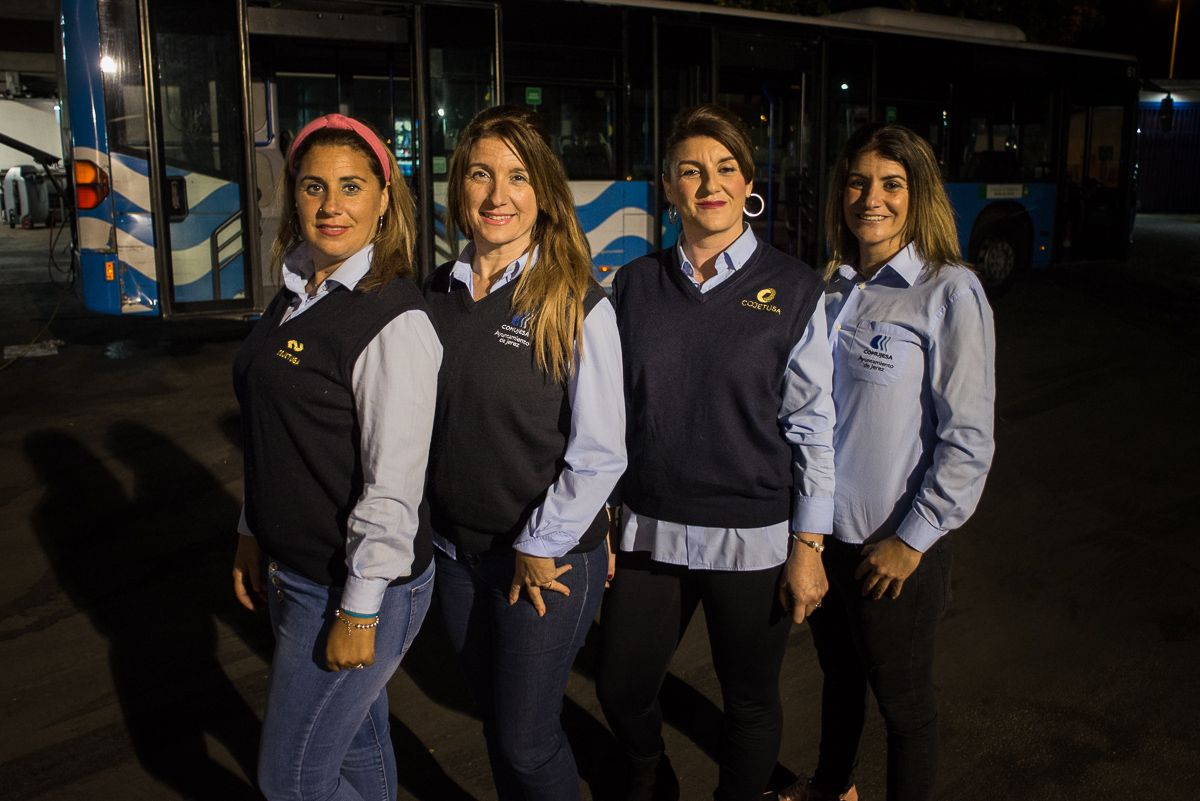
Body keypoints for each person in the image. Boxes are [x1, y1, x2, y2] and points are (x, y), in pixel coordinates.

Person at [597, 103, 836, 801]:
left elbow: (814, 425)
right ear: (668, 187)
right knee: (621, 687)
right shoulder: (635, 286)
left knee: (750, 702)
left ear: (748, 181)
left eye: (726, 168)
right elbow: (615, 416)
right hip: (650, 528)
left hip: (754, 538)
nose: (710, 183)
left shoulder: (793, 288)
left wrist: (809, 543)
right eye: (691, 170)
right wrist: (603, 518)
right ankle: (651, 776)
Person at [779, 123, 996, 801]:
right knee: (840, 678)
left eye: (891, 184)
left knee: (904, 706)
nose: (871, 197)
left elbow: (969, 439)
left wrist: (911, 542)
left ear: (918, 195)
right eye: (858, 182)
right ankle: (833, 786)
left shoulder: (948, 291)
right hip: (829, 541)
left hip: (893, 549)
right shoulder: (835, 287)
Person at [231, 113, 441, 801]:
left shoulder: (393, 320)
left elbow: (393, 486)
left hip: (352, 583)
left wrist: (359, 609)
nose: (331, 205)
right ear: (294, 194)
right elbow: (272, 432)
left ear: (385, 197)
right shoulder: (297, 289)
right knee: (357, 746)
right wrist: (250, 528)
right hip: (294, 570)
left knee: (290, 779)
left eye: (351, 186)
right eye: (314, 186)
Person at [422, 105, 626, 801]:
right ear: (460, 186)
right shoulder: (434, 295)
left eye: (516, 177)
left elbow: (600, 451)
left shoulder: (575, 303)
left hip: (543, 560)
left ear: (543, 194)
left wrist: (543, 542)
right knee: (497, 720)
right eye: (481, 174)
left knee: (527, 738)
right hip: (456, 555)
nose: (496, 195)